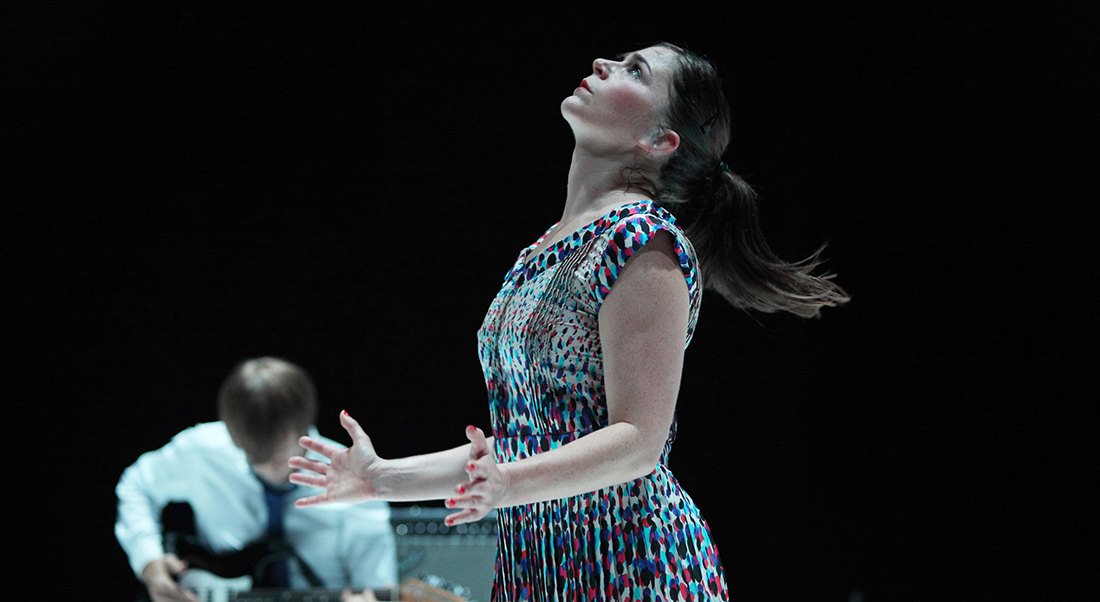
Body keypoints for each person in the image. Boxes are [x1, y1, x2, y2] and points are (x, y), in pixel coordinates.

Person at [288, 42, 850, 601]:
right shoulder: (540, 251)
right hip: (538, 563)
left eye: (636, 71)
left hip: (630, 566)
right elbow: (524, 442)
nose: (603, 63)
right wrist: (381, 479)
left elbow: (638, 443)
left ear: (659, 141)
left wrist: (507, 484)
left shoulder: (643, 242)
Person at [115, 356, 398, 602]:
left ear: (304, 427)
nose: (268, 474)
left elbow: (375, 585)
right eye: (250, 457)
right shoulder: (202, 450)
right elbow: (136, 486)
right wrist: (149, 562)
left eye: (277, 458)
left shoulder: (357, 482)